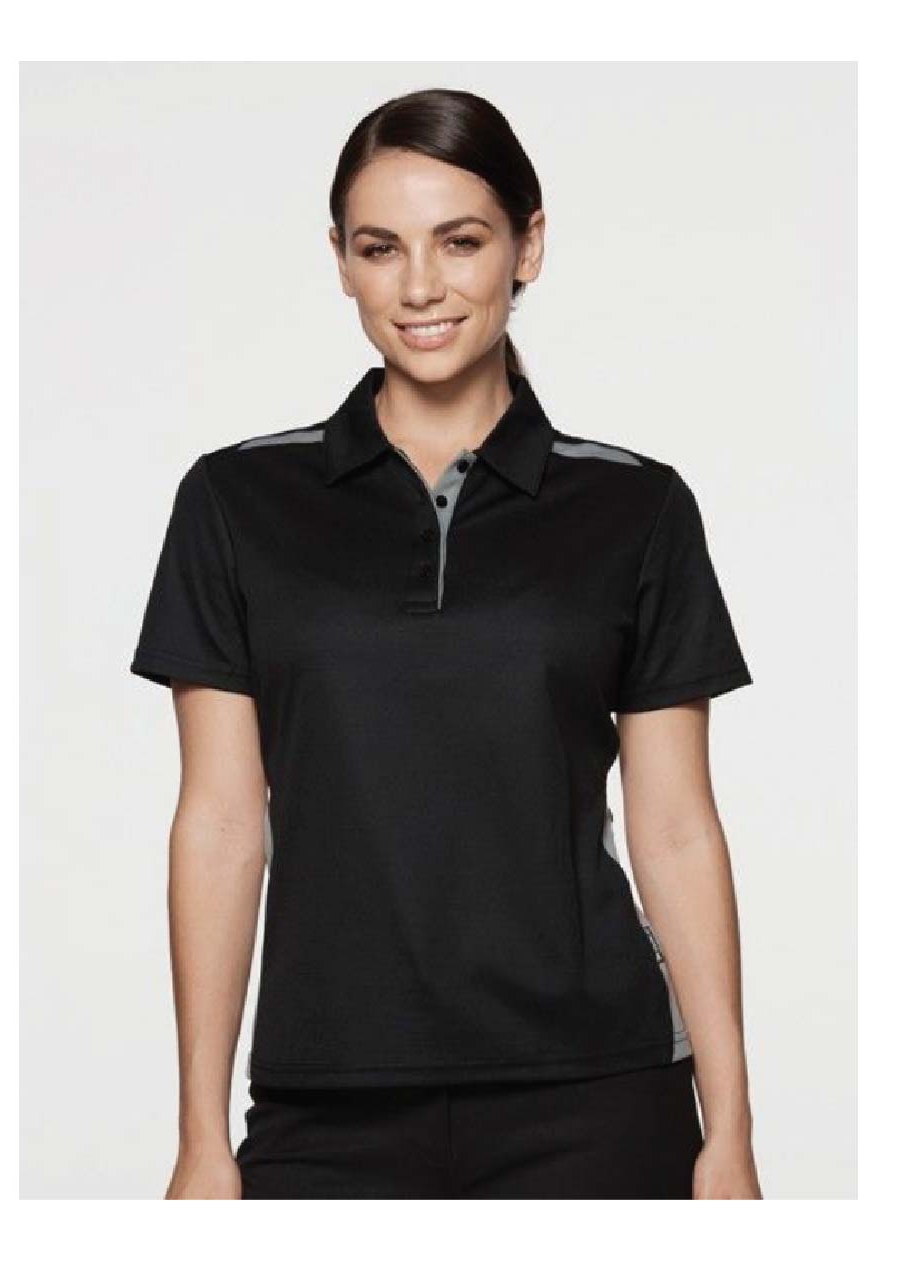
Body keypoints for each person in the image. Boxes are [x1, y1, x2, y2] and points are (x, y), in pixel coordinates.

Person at [131, 88, 761, 1199]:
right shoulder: (237, 501)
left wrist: (732, 1132)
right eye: (380, 248)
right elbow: (222, 823)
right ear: (341, 262)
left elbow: (674, 828)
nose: (419, 285)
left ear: (529, 246)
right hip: (328, 1100)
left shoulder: (636, 507)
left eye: (460, 241)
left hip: (598, 1093)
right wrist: (199, 1136)